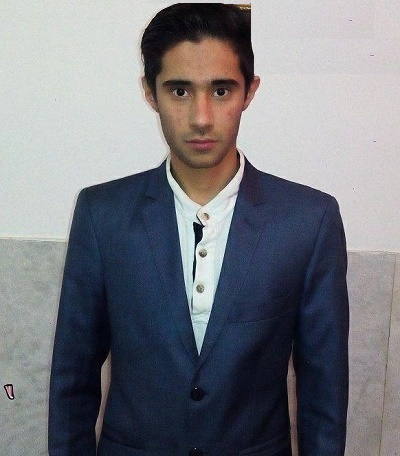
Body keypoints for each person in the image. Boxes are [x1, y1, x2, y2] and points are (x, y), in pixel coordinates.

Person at [48, 4, 349, 455]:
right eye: (180, 91)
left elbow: (324, 388)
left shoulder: (309, 221)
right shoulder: (102, 215)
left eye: (221, 90)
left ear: (250, 91)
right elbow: (73, 378)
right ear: (150, 92)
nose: (202, 117)